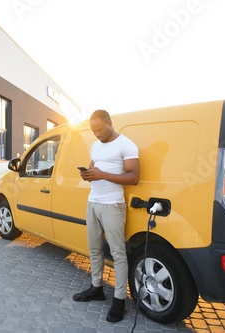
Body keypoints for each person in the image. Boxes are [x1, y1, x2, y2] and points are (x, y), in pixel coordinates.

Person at [73, 109, 140, 323]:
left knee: (118, 253)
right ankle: (96, 288)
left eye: (100, 129)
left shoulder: (127, 145)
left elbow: (134, 177)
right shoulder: (95, 145)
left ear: (110, 123)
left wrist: (102, 175)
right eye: (93, 131)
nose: (97, 134)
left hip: (113, 205)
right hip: (93, 202)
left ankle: (120, 300)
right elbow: (94, 168)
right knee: (94, 248)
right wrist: (89, 175)